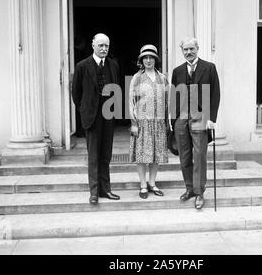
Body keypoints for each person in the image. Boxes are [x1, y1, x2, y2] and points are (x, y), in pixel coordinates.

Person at [170, 38, 220, 210]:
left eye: (191, 48)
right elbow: (174, 96)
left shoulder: (209, 68)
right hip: (181, 118)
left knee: (199, 156)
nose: (188, 52)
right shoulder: (177, 71)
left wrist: (212, 118)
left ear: (197, 48)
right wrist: (173, 121)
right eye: (185, 49)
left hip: (200, 116)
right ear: (182, 51)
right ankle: (189, 188)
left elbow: (215, 94)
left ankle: (199, 192)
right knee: (184, 156)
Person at [72, 33, 121, 205]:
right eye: (100, 45)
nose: (103, 49)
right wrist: (85, 109)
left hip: (108, 116)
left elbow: (117, 88)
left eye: (106, 46)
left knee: (105, 155)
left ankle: (105, 190)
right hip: (91, 117)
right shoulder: (82, 66)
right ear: (93, 45)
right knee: (93, 155)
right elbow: (76, 93)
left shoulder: (113, 65)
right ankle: (94, 192)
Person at [129, 45, 169, 199]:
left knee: (156, 154)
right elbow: (131, 101)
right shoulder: (137, 78)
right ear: (141, 60)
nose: (148, 60)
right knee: (142, 155)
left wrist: (167, 122)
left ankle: (152, 183)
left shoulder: (162, 78)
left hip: (158, 122)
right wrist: (133, 123)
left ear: (155, 59)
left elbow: (167, 101)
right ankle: (143, 184)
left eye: (151, 57)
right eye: (145, 58)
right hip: (142, 122)